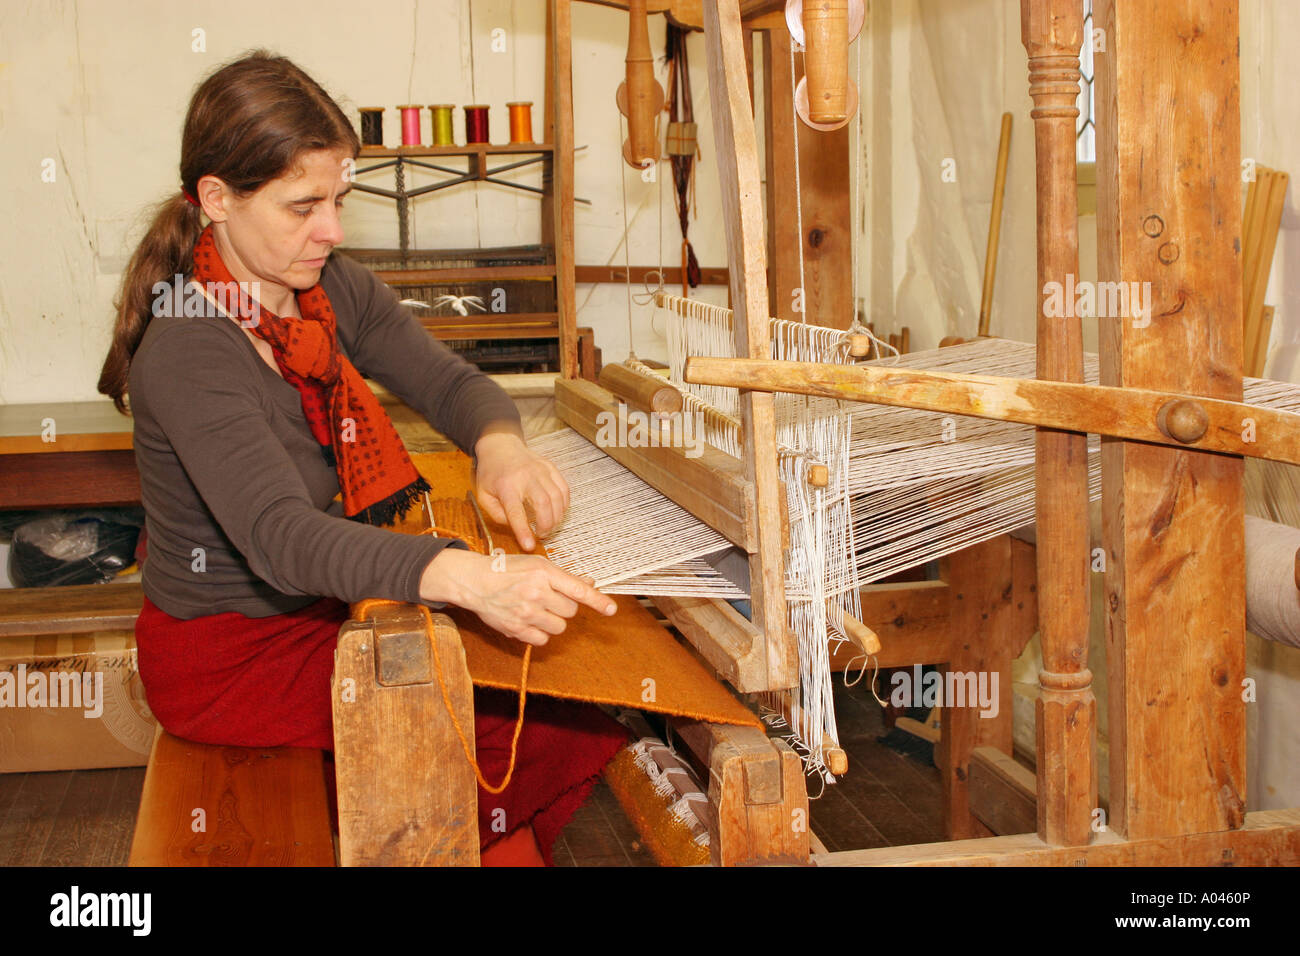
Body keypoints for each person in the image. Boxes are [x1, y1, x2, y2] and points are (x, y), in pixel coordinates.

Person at [97, 50, 627, 866]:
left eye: (340, 198)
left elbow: (449, 383)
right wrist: (466, 575)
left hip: (316, 615)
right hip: (229, 657)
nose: (333, 229)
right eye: (303, 204)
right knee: (531, 718)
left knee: (535, 703)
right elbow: (282, 538)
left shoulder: (326, 289)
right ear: (216, 200)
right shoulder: (189, 349)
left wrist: (501, 448)